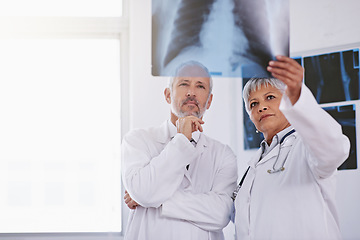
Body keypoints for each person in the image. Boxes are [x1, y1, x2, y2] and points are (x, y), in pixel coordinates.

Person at [234, 56, 350, 240]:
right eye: (253, 104)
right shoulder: (253, 167)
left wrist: (298, 96)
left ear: (289, 100)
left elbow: (334, 150)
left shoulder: (306, 147)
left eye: (270, 97)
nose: (261, 107)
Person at [121, 61, 238, 240]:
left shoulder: (223, 154)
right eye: (184, 84)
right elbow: (144, 192)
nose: (191, 92)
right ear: (168, 95)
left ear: (210, 100)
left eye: (200, 86)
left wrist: (154, 201)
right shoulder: (137, 140)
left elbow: (221, 214)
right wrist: (181, 140)